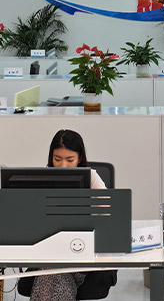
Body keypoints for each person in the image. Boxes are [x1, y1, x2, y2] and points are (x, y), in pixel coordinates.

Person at [29, 129, 106, 301]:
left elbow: (109, 210)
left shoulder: (91, 177)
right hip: (48, 250)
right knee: (51, 272)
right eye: (57, 159)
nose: (63, 165)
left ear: (80, 158)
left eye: (70, 160)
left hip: (79, 251)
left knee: (50, 274)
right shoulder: (42, 178)